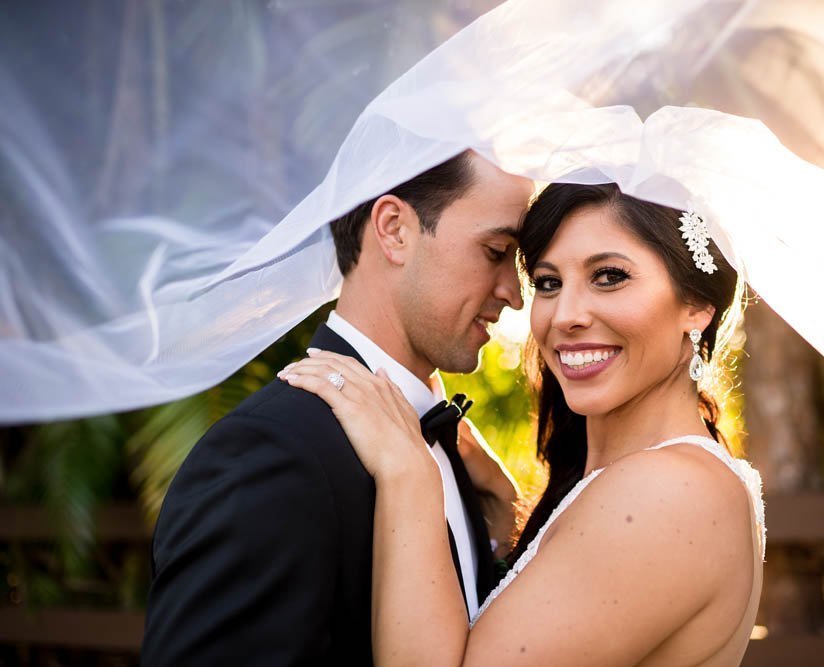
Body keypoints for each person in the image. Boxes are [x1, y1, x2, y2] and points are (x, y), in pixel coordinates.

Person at [281, 182, 766, 666]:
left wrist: (409, 475)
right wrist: (499, 502)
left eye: (610, 276)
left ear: (697, 305)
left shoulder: (669, 493)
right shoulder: (652, 480)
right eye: (549, 283)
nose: (565, 316)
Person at [141, 150, 533, 666]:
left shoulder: (450, 447)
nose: (515, 294)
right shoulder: (274, 452)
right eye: (495, 251)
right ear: (394, 229)